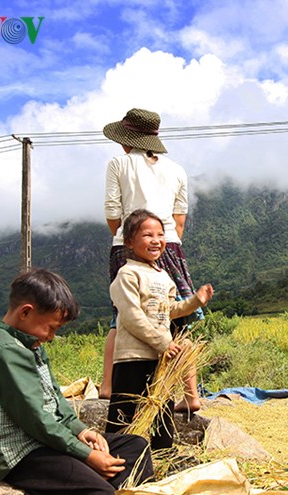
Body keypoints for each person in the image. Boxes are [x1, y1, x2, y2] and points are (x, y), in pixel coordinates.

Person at [0, 268, 153, 495]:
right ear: (25, 312)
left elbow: (56, 398)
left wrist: (81, 431)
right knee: (99, 492)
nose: (51, 337)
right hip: (20, 453)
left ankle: (87, 487)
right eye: (51, 328)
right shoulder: (2, 352)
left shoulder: (31, 344)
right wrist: (86, 455)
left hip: (48, 441)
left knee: (136, 447)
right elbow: (36, 420)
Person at [101, 107, 204, 413]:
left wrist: (129, 239)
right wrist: (165, 242)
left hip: (130, 244)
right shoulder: (177, 170)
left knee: (123, 315)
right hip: (169, 246)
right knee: (176, 320)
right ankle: (191, 394)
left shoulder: (118, 163)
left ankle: (108, 385)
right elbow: (179, 219)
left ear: (126, 139)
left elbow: (113, 214)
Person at [105, 209, 214, 450]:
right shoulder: (127, 274)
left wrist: (195, 302)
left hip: (161, 358)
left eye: (160, 234)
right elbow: (132, 317)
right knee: (124, 413)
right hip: (133, 358)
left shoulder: (164, 276)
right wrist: (163, 342)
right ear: (129, 242)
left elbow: (169, 310)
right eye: (147, 235)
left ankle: (163, 454)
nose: (156, 240)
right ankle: (114, 456)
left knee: (162, 410)